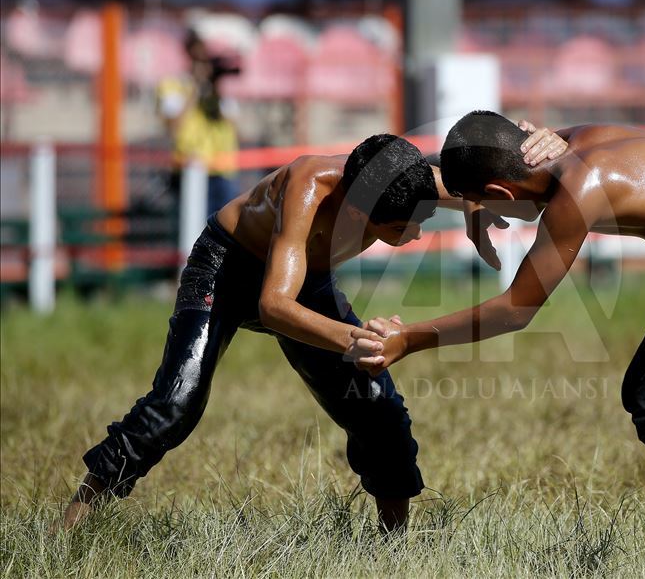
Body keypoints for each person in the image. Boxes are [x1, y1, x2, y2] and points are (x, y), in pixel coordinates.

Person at [364, 112, 645, 559]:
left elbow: (517, 309)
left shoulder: (580, 190)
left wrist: (410, 338)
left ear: (501, 192)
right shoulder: (563, 146)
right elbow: (497, 154)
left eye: (485, 202)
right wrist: (474, 201)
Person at [60, 129, 555, 534]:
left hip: (308, 283)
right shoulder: (308, 186)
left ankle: (395, 545)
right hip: (227, 270)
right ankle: (71, 526)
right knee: (177, 403)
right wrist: (356, 340)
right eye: (404, 228)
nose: (418, 233)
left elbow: (470, 189)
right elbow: (274, 306)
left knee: (377, 405)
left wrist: (475, 215)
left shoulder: (406, 180)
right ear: (360, 212)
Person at [157, 30, 241, 214]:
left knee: (225, 227)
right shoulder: (174, 85)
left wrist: (214, 89)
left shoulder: (216, 91)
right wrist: (195, 87)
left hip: (222, 171)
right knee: (193, 226)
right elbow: (173, 125)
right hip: (190, 170)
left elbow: (234, 128)